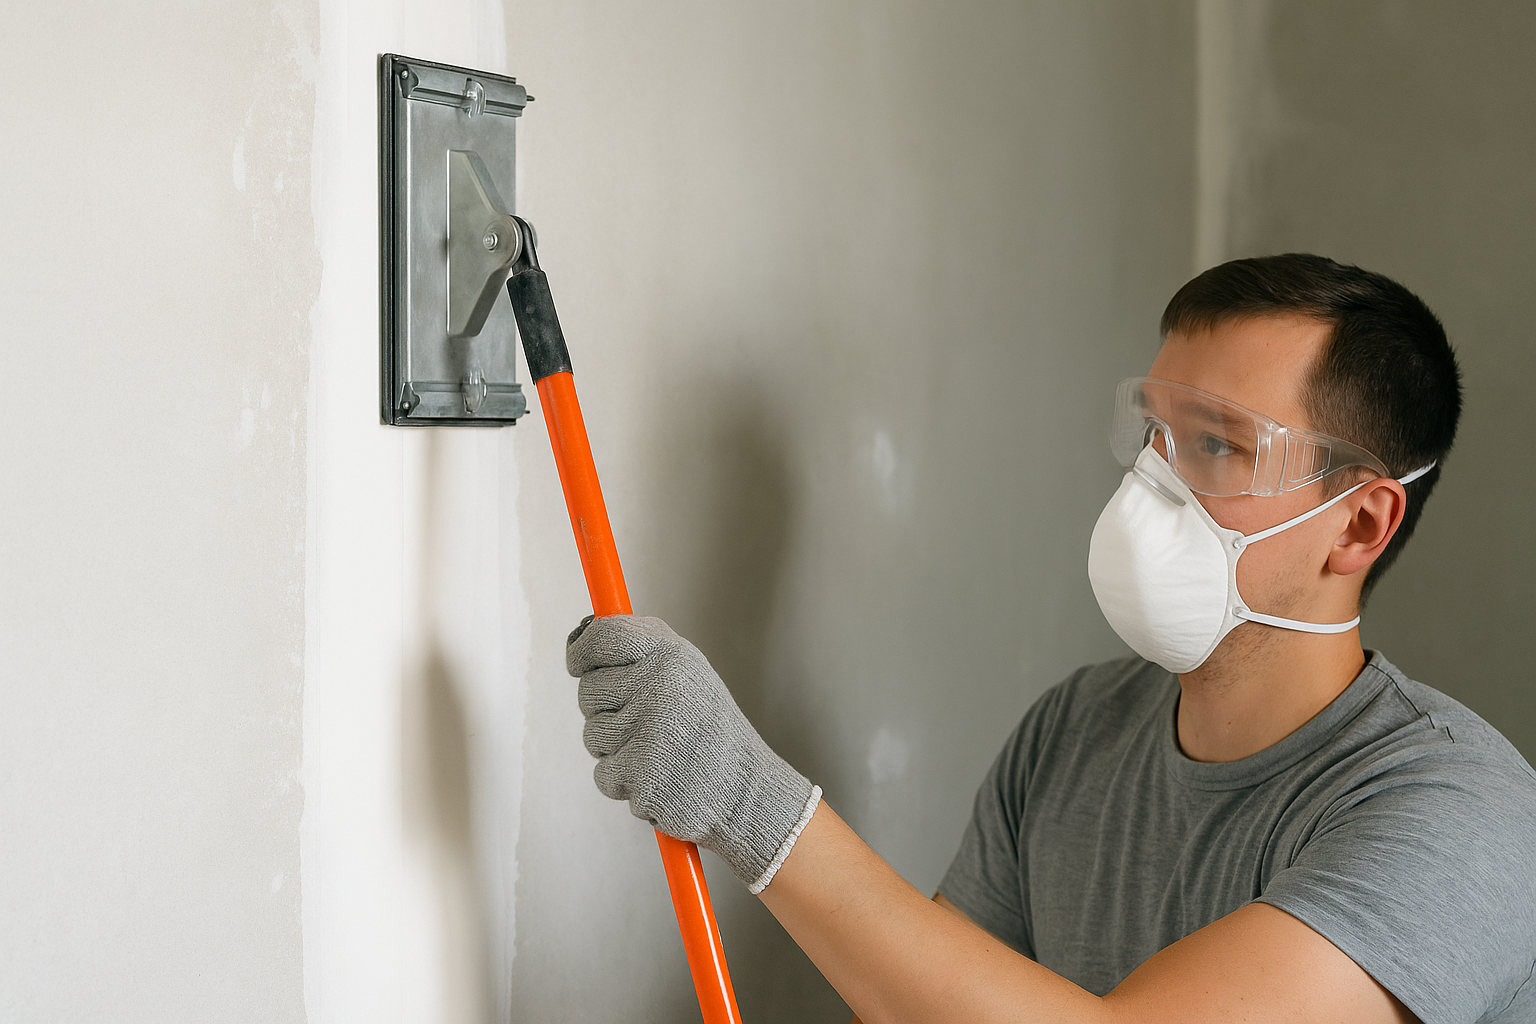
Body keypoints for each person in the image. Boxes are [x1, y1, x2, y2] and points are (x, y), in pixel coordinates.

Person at [564, 254, 1536, 1024]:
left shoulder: (1463, 817)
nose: (1155, 480)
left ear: (1359, 526)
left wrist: (745, 797)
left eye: (1216, 444)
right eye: (1154, 431)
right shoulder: (1076, 732)